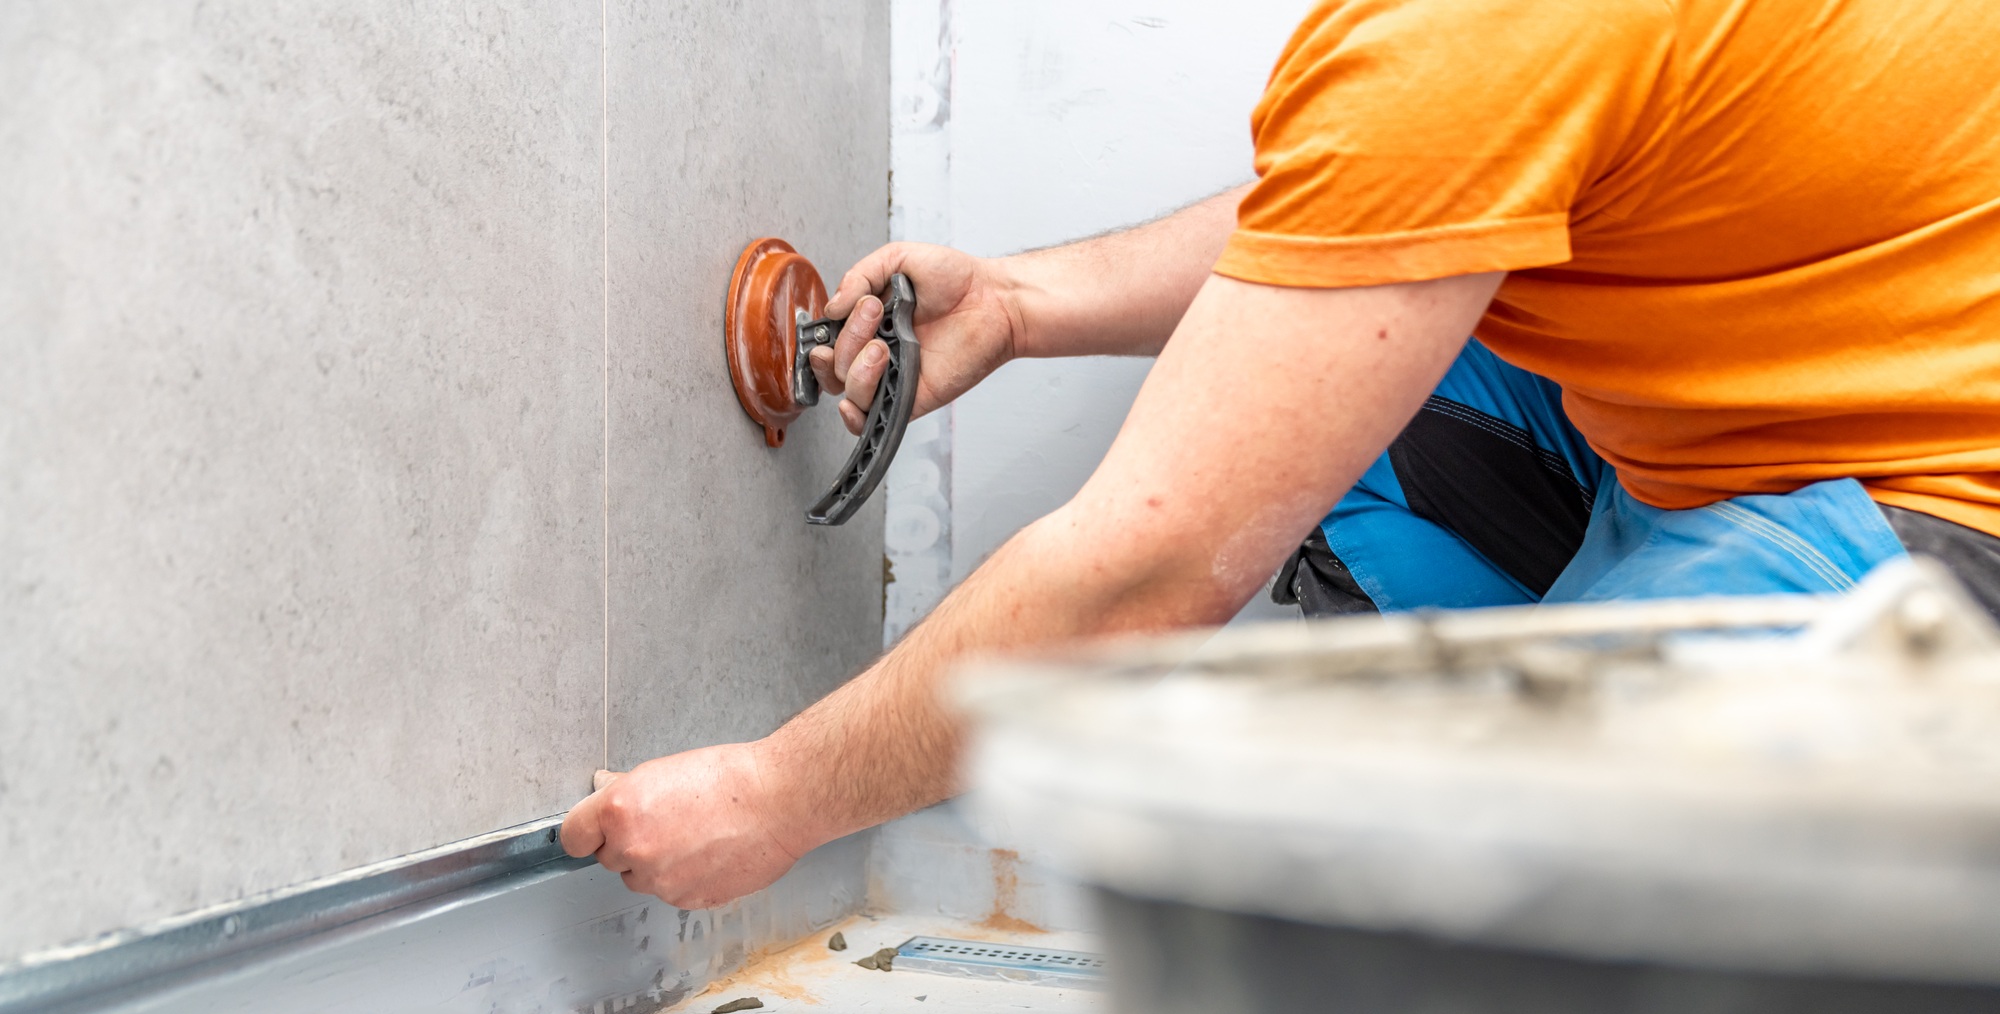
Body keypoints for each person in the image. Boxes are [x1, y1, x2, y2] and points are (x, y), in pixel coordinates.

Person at [562, 0, 2000, 907]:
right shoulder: (1469, 57)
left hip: (1950, 541)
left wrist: (771, 799)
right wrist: (1024, 300)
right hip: (1786, 414)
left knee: (1537, 974)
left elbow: (1149, 570)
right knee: (1360, 402)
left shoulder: (1471, 30)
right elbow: (1391, 200)